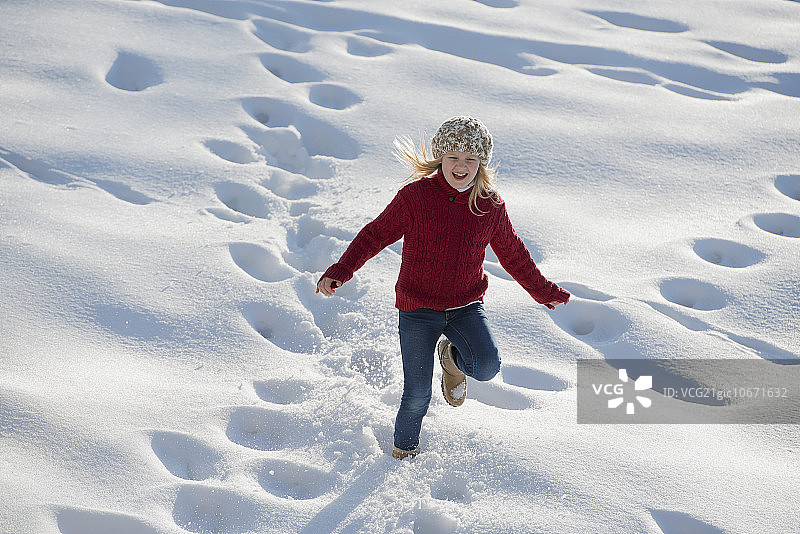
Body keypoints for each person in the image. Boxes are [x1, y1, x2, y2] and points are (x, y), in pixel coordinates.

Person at [316, 116, 569, 459]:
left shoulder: (489, 205)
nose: (461, 166)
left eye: (470, 159)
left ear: (481, 163)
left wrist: (543, 291)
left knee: (487, 367)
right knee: (417, 393)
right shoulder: (415, 198)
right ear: (440, 158)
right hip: (418, 309)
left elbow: (513, 253)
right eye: (453, 156)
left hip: (465, 306)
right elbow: (376, 234)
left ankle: (452, 358)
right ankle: (403, 454)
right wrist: (342, 269)